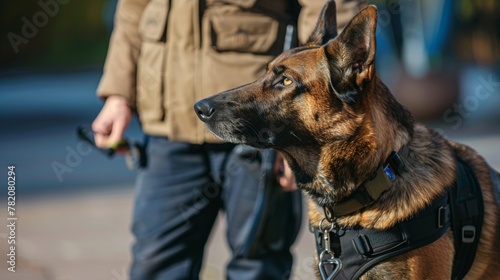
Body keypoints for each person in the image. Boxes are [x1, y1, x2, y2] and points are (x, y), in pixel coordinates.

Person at [91, 0, 366, 279]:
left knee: (257, 267)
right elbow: (133, 9)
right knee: (155, 265)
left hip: (259, 124)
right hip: (168, 127)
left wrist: (300, 138)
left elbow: (331, 7)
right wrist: (119, 94)